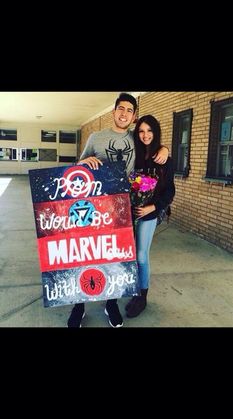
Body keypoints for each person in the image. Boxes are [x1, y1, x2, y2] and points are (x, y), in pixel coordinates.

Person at [67, 93, 169, 328]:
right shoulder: (96, 137)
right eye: (120, 109)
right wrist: (83, 163)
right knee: (87, 255)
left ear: (133, 117)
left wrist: (163, 149)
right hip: (94, 208)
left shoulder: (136, 138)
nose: (124, 113)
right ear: (114, 112)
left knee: (115, 256)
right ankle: (79, 306)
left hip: (122, 209)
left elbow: (150, 140)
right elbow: (76, 169)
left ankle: (110, 303)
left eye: (129, 110)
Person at [125, 114, 175, 318]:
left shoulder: (164, 159)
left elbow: (170, 191)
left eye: (150, 130)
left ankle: (142, 296)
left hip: (148, 213)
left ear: (156, 132)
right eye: (141, 131)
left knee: (141, 255)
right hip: (127, 212)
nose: (146, 135)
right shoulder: (133, 155)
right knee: (127, 255)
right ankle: (131, 288)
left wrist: (152, 208)